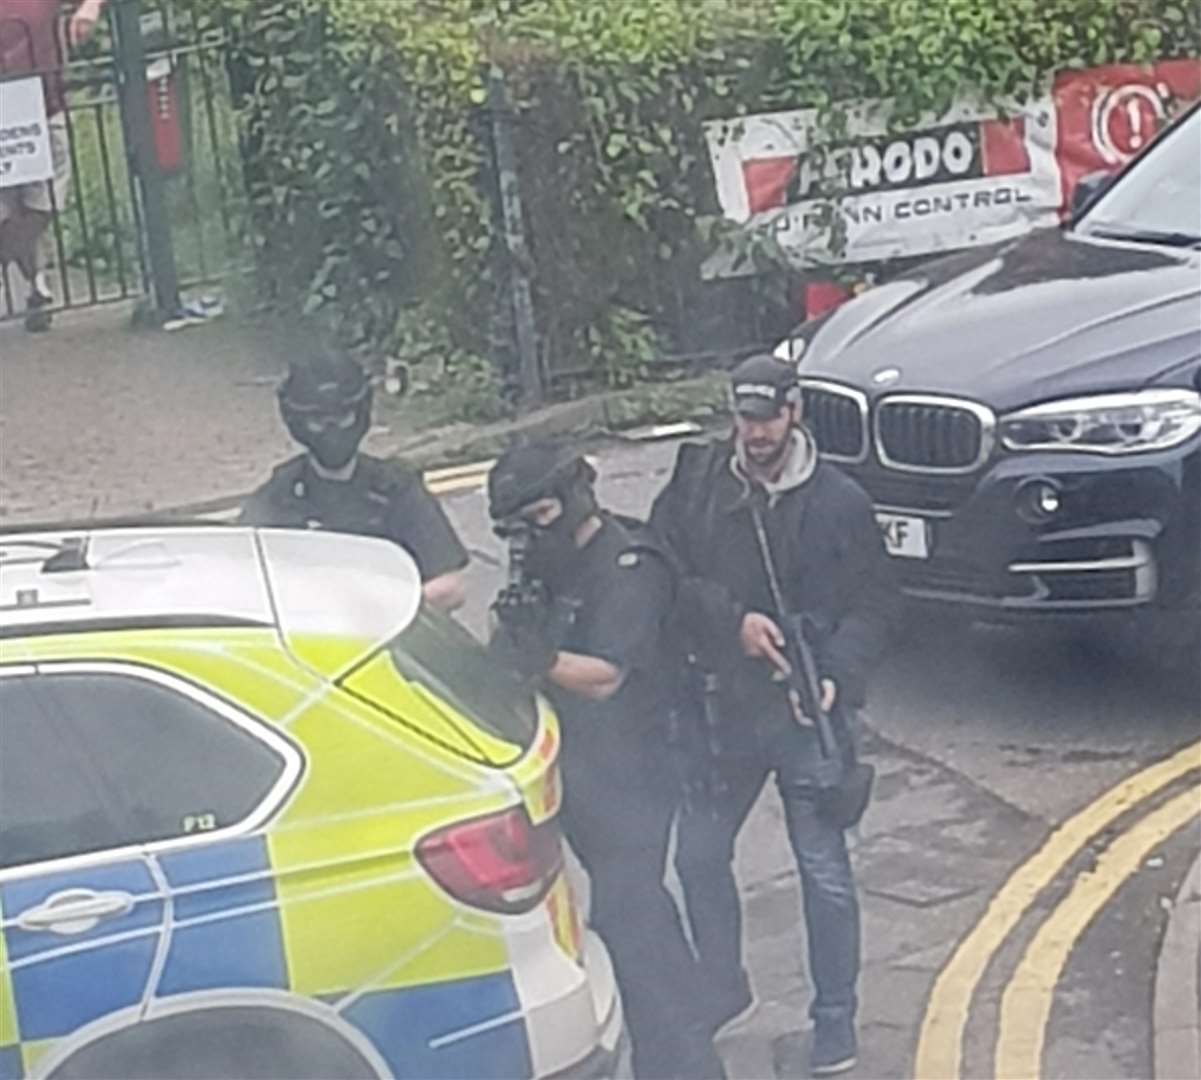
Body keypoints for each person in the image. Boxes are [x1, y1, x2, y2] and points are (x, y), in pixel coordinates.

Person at [647, 353, 897, 1076]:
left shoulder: (840, 502)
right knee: (696, 854)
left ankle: (834, 1023)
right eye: (744, 418)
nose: (753, 435)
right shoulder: (697, 483)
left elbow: (878, 602)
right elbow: (660, 568)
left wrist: (837, 678)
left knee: (823, 872)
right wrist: (734, 624)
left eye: (767, 418)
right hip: (722, 709)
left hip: (803, 710)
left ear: (795, 413)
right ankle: (722, 987)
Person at [485, 443, 723, 1080]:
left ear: (570, 499)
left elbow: (605, 676)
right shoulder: (552, 562)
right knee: (622, 913)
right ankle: (679, 1035)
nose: (528, 539)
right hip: (582, 764)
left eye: (536, 518)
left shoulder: (627, 566)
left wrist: (536, 660)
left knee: (629, 910)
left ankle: (685, 1054)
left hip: (641, 766)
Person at [240, 351, 468, 613]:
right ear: (297, 422)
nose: (332, 431)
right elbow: (238, 581)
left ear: (360, 414)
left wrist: (376, 617)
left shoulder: (396, 489)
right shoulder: (278, 496)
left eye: (341, 418)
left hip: (389, 642)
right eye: (318, 421)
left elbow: (450, 586)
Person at [0, 0, 106, 331]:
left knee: (44, 203)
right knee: (6, 211)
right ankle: (38, 287)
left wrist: (90, 7)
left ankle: (24, 275)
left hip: (45, 107)